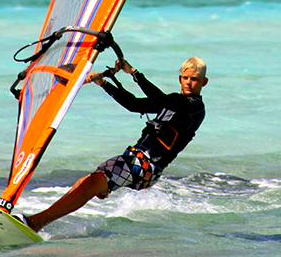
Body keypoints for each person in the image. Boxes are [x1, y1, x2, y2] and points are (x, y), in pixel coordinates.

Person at [20, 56, 208, 232]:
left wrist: (133, 72)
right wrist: (103, 83)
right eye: (185, 78)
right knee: (85, 182)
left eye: (195, 79)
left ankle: (35, 222)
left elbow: (162, 99)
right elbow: (133, 104)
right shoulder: (173, 101)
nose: (189, 83)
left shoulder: (195, 107)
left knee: (92, 183)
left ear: (203, 82)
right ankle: (37, 222)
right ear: (180, 78)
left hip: (147, 166)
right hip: (133, 158)